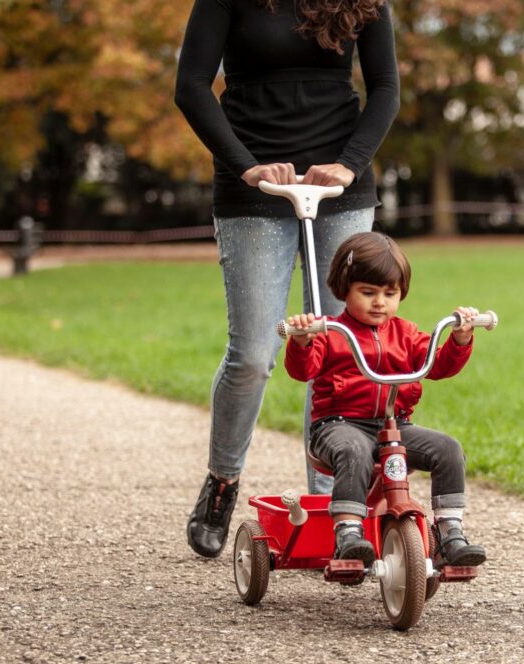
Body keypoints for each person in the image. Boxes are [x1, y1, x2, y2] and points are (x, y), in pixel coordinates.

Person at [174, 0, 400, 558]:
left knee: (337, 349)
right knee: (253, 354)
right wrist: (245, 166)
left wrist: (349, 164)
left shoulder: (363, 0)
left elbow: (386, 88)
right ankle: (222, 482)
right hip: (254, 189)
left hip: (339, 189)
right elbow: (192, 87)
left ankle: (334, 505)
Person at [283, 232, 488, 568]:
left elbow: (437, 366)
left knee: (448, 449)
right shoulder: (330, 332)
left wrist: (460, 339)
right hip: (338, 426)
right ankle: (348, 532)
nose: (379, 302)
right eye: (368, 292)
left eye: (389, 294)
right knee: (354, 450)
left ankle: (449, 531)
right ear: (345, 289)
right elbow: (302, 370)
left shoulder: (406, 334)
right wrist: (303, 341)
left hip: (395, 425)